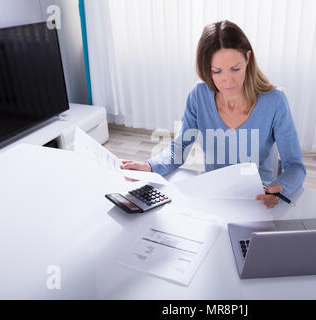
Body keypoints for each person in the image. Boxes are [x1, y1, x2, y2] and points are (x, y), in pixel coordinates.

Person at [121, 20, 306, 209]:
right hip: (212, 197)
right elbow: (179, 150)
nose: (228, 81)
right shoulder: (199, 95)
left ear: (248, 58)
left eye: (235, 69)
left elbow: (295, 167)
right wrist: (150, 166)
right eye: (217, 72)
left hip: (256, 200)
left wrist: (278, 189)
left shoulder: (274, 101)